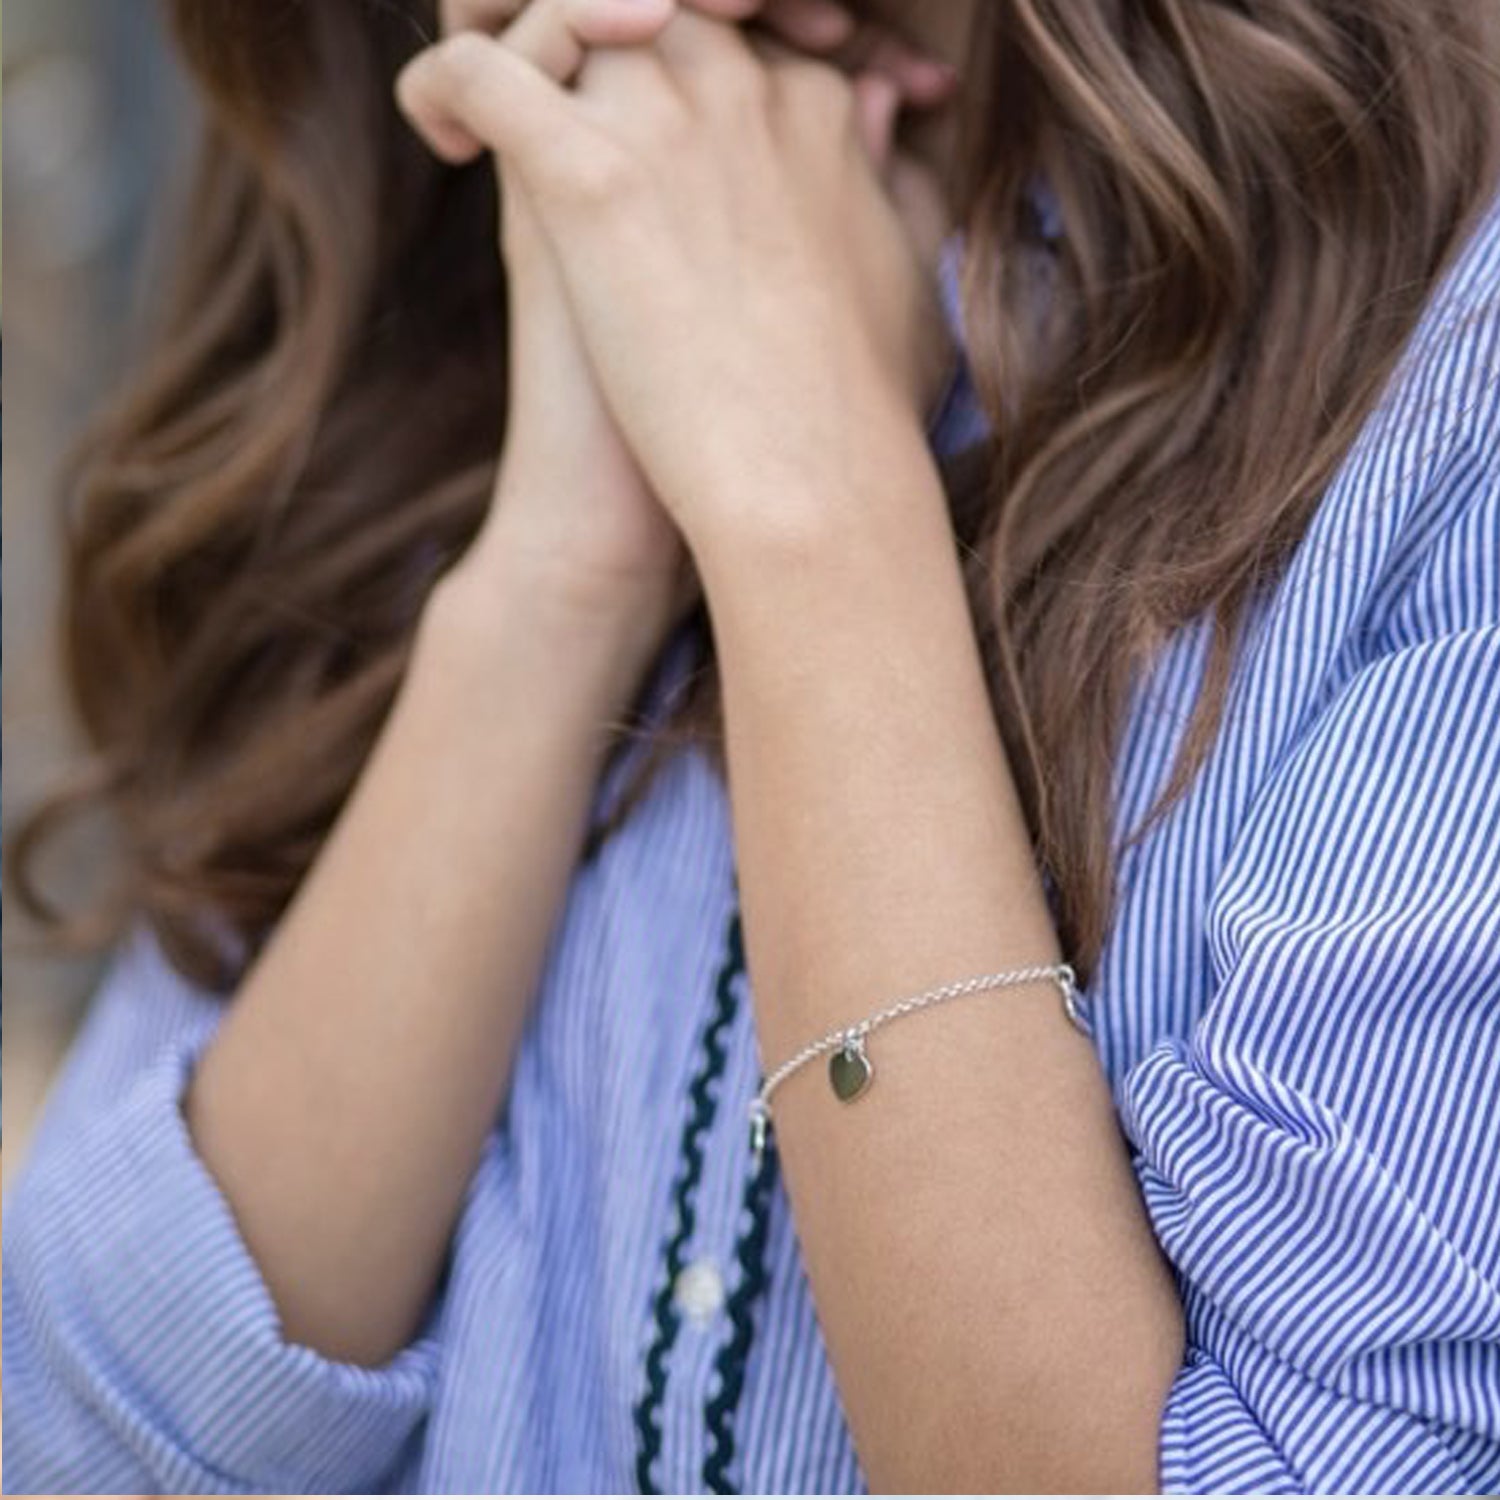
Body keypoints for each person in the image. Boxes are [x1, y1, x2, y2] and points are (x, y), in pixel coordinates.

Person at [5, 0, 1500, 1491]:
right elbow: (69, 1450)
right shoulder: (455, 212)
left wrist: (813, 509)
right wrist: (564, 569)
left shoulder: (1440, 401)